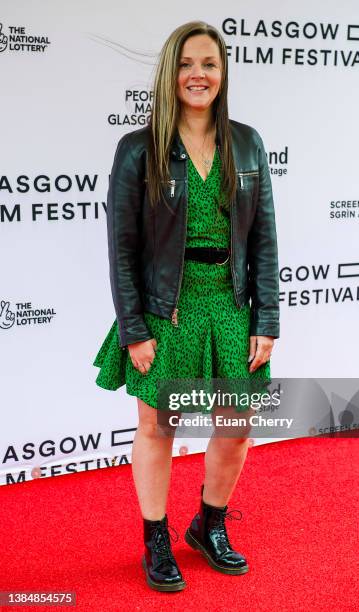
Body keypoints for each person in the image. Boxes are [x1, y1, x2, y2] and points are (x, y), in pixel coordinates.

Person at [93, 20, 280, 592]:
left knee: (237, 426)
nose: (198, 74)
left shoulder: (247, 142)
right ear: (170, 73)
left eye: (210, 64)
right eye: (187, 64)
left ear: (222, 76)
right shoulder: (137, 149)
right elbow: (122, 248)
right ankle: (155, 537)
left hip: (229, 303)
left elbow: (265, 239)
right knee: (158, 424)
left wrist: (266, 320)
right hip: (164, 308)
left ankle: (209, 525)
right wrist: (133, 328)